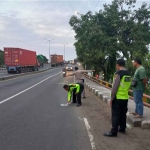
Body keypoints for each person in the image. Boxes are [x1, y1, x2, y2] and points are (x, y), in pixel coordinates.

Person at [104, 59, 131, 137]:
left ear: (118, 65)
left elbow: (115, 87)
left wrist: (112, 98)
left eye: (116, 65)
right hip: (125, 97)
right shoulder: (129, 74)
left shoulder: (118, 74)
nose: (116, 66)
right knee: (123, 114)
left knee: (115, 114)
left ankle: (113, 131)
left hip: (118, 97)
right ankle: (122, 128)